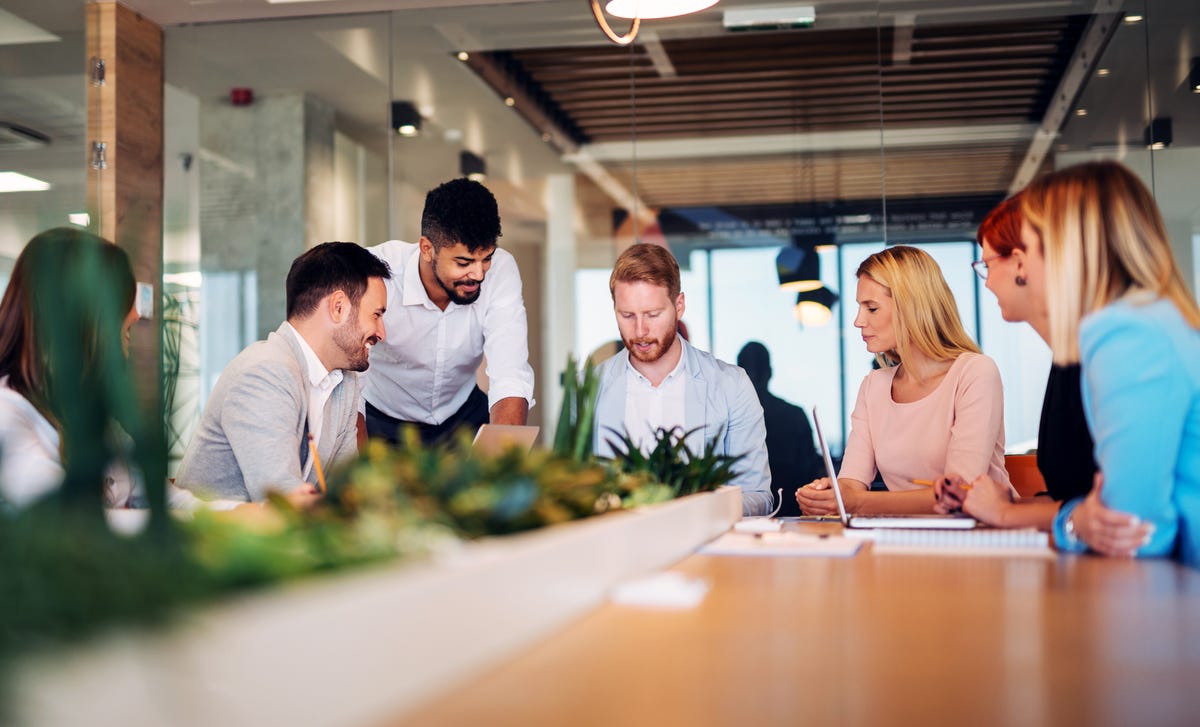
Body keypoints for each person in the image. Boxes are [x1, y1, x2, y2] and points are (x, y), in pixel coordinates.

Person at [1017, 161, 1199, 565]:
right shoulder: (1157, 320)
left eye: (1027, 250)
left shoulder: (1127, 333)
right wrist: (1079, 517)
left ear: (1067, 251)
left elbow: (1133, 531)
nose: (1022, 269)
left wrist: (1074, 520)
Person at [796, 245, 1009, 516]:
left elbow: (958, 496)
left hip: (982, 539)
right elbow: (851, 481)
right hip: (905, 537)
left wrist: (856, 502)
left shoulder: (975, 373)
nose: (858, 321)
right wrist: (834, 495)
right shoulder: (874, 386)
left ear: (913, 308)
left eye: (871, 308)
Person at [175, 242, 390, 502]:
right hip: (214, 537)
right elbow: (280, 499)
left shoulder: (345, 382)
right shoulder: (264, 372)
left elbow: (346, 488)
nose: (382, 332)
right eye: (376, 314)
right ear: (338, 307)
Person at [933, 195, 1097, 530]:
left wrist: (1007, 513)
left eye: (987, 265)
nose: (988, 282)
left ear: (1020, 263)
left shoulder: (1100, 356)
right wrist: (1006, 503)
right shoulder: (1067, 358)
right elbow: (1078, 501)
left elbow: (1119, 517)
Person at [592, 243, 772, 516]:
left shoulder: (731, 385)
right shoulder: (590, 388)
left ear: (679, 305)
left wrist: (700, 513)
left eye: (653, 315)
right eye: (627, 315)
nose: (640, 330)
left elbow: (758, 496)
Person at [362, 178, 535, 446]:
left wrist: (502, 468)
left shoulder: (501, 270)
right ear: (427, 249)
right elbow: (347, 374)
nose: (478, 274)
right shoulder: (376, 273)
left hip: (463, 416)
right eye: (463, 262)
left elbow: (510, 373)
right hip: (382, 421)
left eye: (486, 258)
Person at [0, 228, 141, 509]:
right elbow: (70, 521)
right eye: (122, 302)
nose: (136, 315)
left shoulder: (86, 417)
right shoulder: (5, 415)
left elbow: (170, 499)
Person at [737, 341, 819, 517]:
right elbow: (811, 474)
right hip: (794, 513)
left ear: (738, 373)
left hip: (745, 516)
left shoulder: (729, 419)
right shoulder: (795, 415)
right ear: (770, 373)